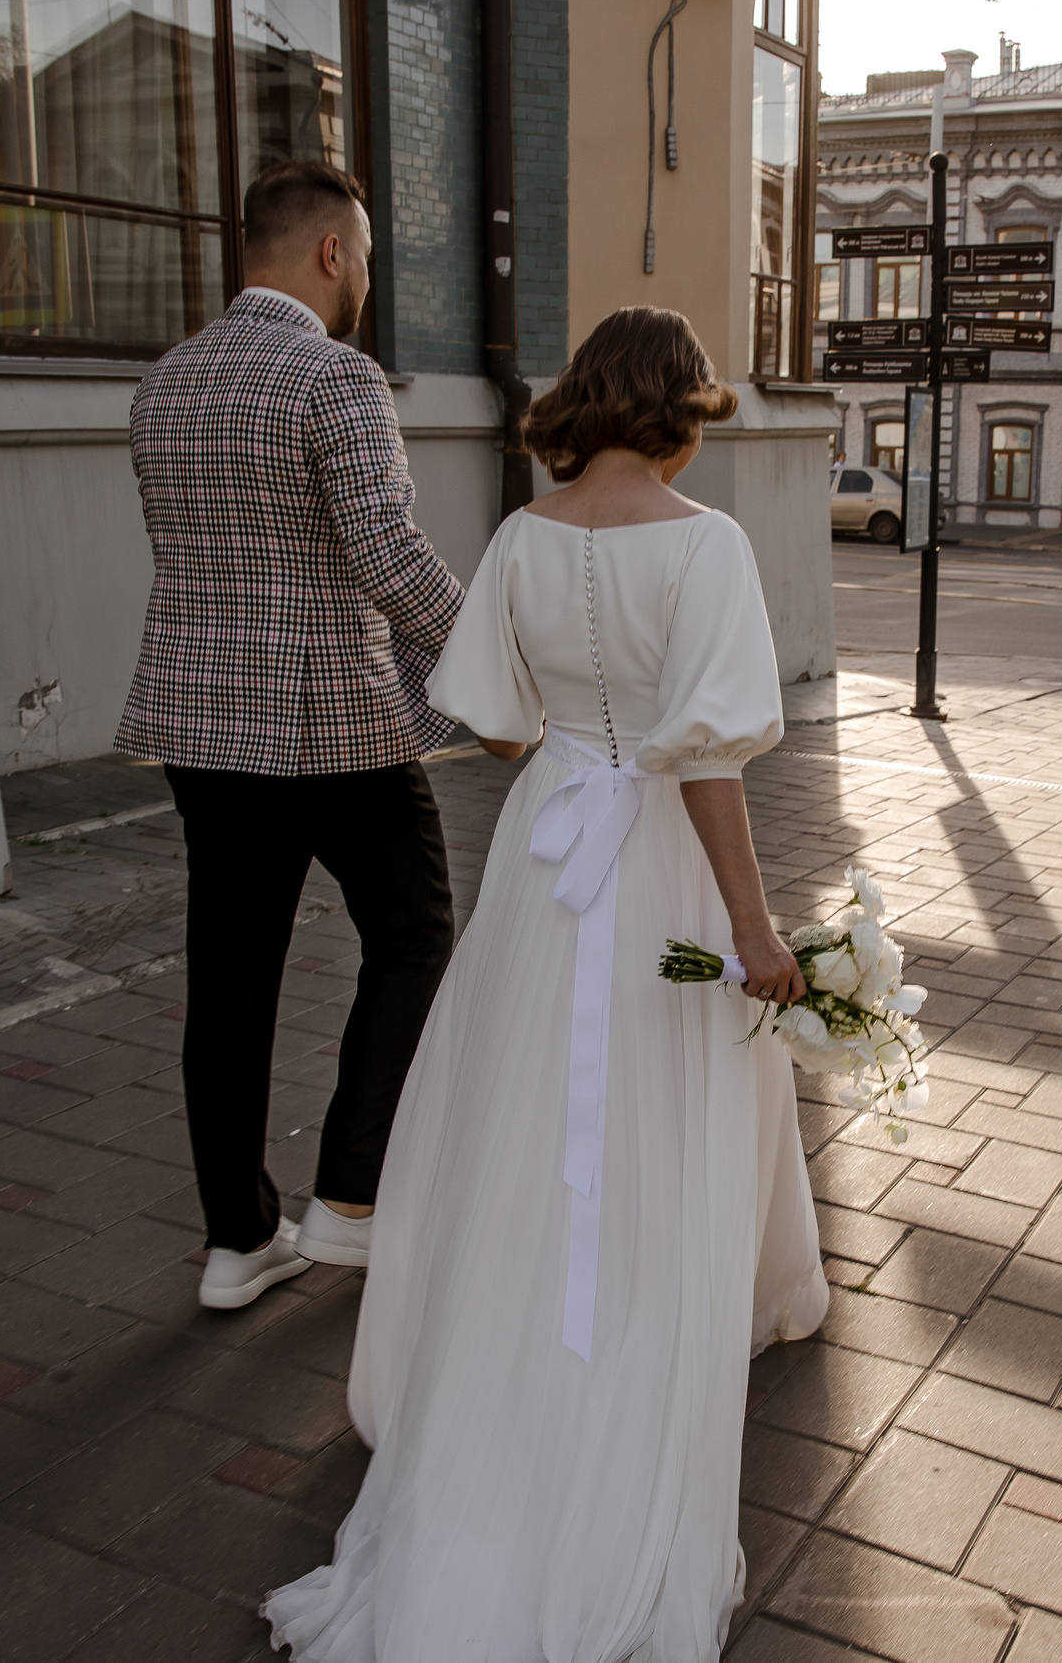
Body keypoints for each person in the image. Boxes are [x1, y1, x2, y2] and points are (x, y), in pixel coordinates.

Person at [264, 307, 831, 1662]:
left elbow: (501, 715)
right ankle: (638, 1344)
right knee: (662, 1100)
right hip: (662, 865)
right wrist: (755, 926)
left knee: (527, 1113)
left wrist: (586, 739)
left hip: (551, 850)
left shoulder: (521, 535)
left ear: (586, 401)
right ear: (681, 407)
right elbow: (707, 760)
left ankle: (513, 1345)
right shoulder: (707, 545)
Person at [114, 161, 466, 1311]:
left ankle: (235, 1240)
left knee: (228, 977)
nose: (364, 275)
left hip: (199, 726)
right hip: (332, 725)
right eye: (362, 254)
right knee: (413, 937)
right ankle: (346, 1204)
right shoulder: (335, 377)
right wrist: (492, 671)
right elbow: (387, 556)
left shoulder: (163, 384)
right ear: (329, 254)